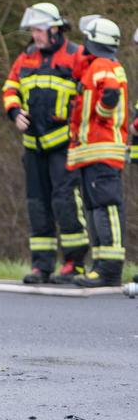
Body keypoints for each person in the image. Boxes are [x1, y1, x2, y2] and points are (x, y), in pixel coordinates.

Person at [3, 3, 91, 284]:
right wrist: (15, 112)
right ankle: (42, 265)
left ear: (55, 29)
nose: (35, 36)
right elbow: (10, 88)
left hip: (65, 145)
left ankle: (74, 263)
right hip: (33, 147)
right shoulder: (26, 57)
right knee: (37, 205)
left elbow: (90, 92)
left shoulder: (77, 55)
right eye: (33, 31)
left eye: (39, 30)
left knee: (65, 202)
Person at [68, 16, 127, 287]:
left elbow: (111, 95)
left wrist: (101, 115)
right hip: (91, 151)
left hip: (102, 149)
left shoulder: (102, 65)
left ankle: (110, 269)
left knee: (104, 207)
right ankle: (100, 265)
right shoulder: (100, 65)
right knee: (94, 208)